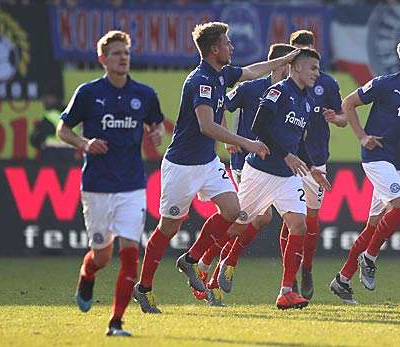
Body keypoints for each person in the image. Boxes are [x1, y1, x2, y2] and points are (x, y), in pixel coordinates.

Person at [132, 21, 300, 313]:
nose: (232, 47)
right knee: (168, 227)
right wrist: (246, 142)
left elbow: (250, 71)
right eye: (227, 43)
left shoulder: (222, 74)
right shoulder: (201, 81)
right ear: (214, 49)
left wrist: (283, 60)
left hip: (208, 163)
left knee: (234, 211)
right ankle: (144, 287)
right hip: (181, 166)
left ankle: (191, 259)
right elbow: (207, 125)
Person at [57, 30, 165, 336]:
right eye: (116, 53)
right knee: (102, 256)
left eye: (126, 53)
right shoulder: (89, 92)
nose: (122, 58)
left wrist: (156, 134)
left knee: (131, 253)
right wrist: (84, 142)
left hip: (132, 184)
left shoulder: (144, 94)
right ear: (103, 59)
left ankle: (116, 322)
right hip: (97, 185)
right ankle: (87, 273)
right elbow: (62, 130)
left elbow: (155, 125)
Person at [329, 35, 400, 305]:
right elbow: (348, 103)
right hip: (377, 157)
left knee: (375, 224)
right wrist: (362, 136)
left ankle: (342, 280)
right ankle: (369, 257)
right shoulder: (385, 84)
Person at [217, 48, 331, 310]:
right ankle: (205, 262)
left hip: (285, 175)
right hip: (259, 170)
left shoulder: (306, 100)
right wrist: (227, 137)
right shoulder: (275, 91)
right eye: (313, 68)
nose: (317, 73)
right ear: (294, 67)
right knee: (237, 224)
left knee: (298, 225)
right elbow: (258, 126)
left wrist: (311, 167)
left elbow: (297, 141)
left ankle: (286, 291)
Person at [193, 43, 297, 306]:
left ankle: (220, 263)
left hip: (275, 167)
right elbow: (220, 105)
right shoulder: (251, 88)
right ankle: (210, 266)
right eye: (289, 64)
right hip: (246, 162)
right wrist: (229, 137)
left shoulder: (292, 94)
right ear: (280, 65)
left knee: (259, 220)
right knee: (259, 217)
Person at [277, 29, 347, 300]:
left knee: (311, 217)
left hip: (315, 159)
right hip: (287, 159)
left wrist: (335, 117)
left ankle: (306, 267)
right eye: (297, 50)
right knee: (291, 218)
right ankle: (290, 276)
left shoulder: (325, 83)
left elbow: (343, 118)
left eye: (307, 50)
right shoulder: (281, 85)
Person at [30, 93, 77, 162]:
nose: (45, 101)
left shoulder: (51, 116)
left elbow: (39, 137)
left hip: (52, 153)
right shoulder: (73, 117)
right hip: (70, 153)